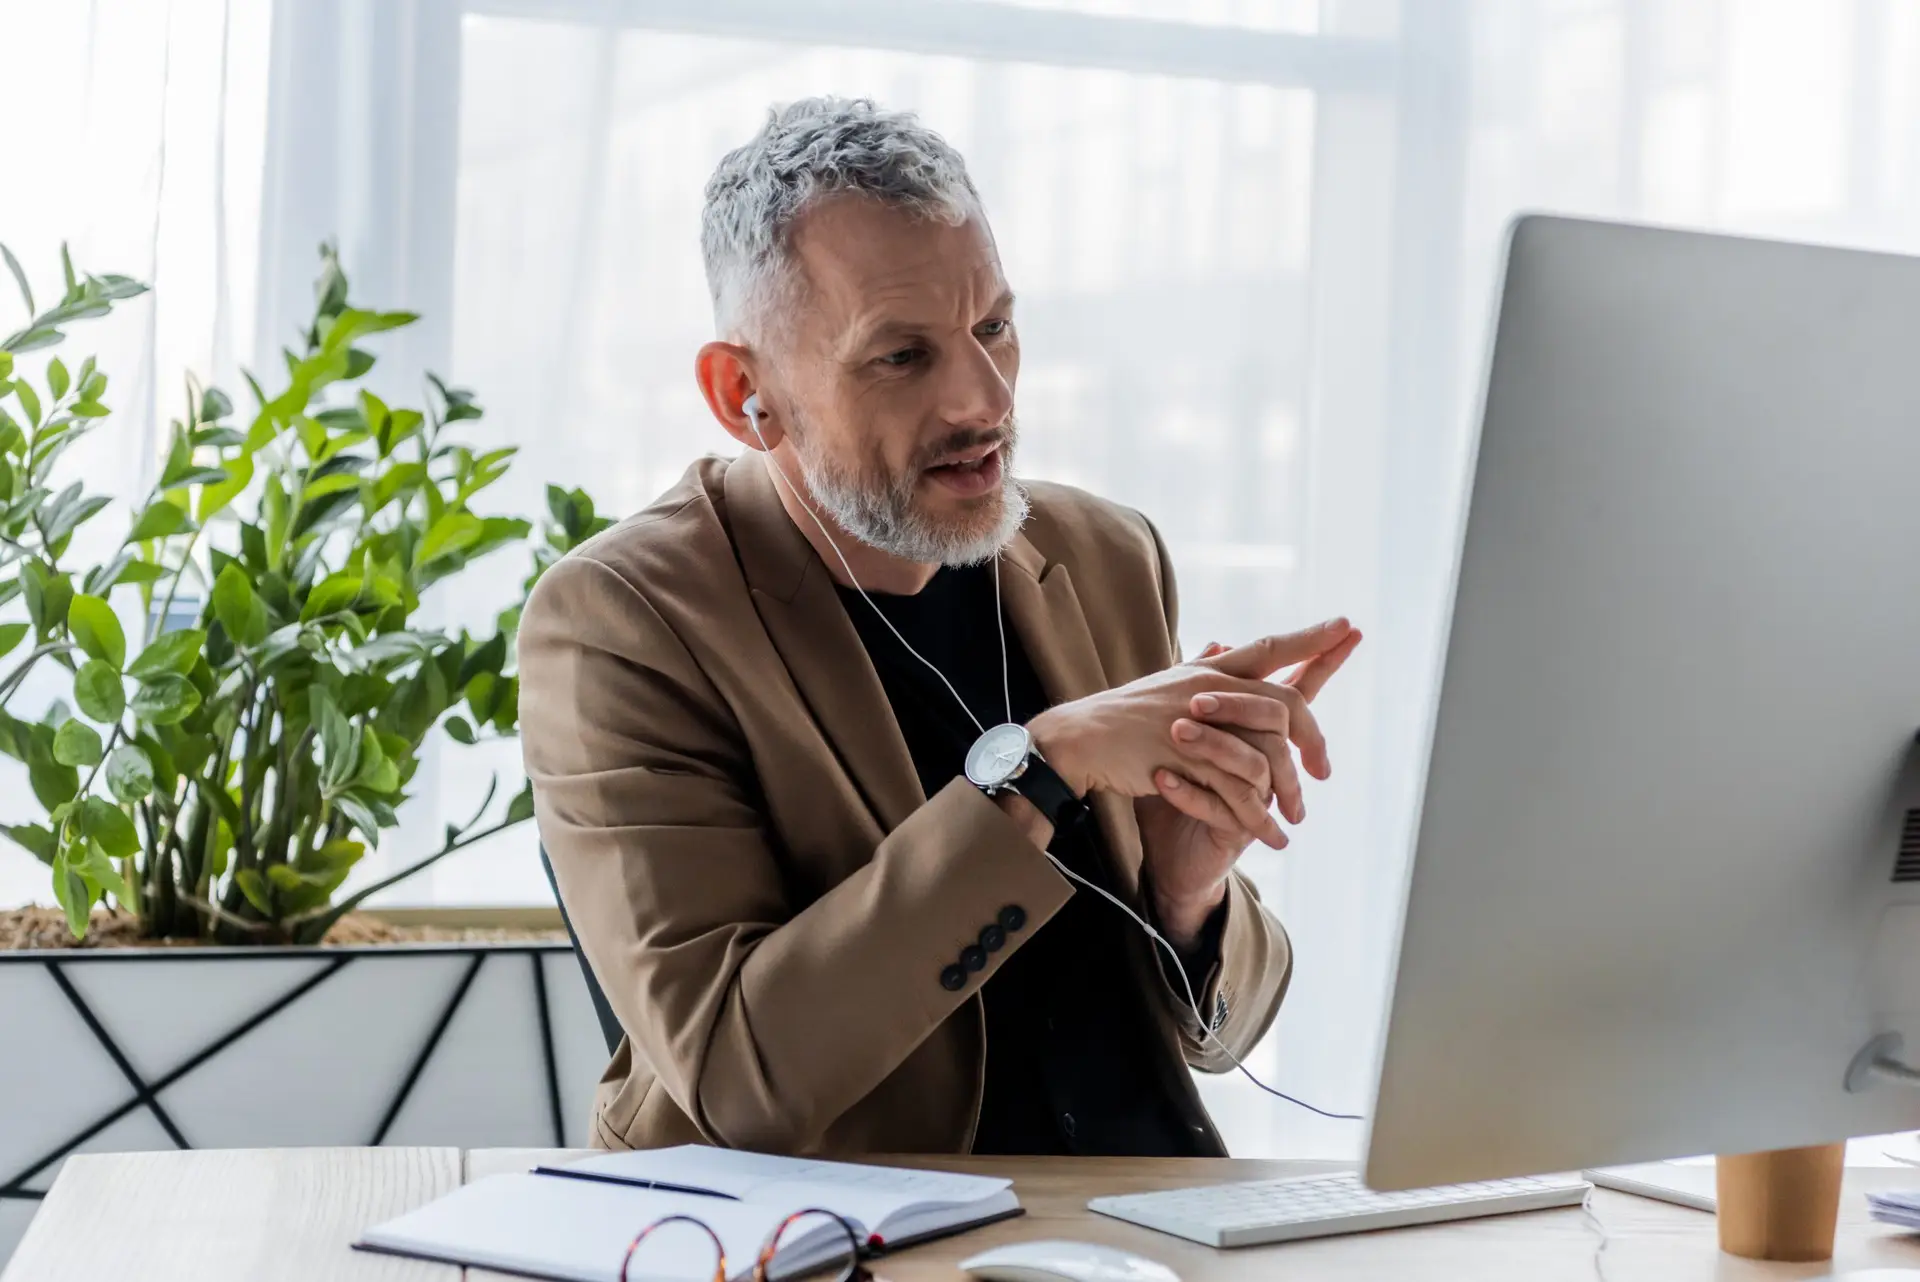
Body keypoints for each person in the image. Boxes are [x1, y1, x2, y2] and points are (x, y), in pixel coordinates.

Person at [518, 96, 1361, 1157]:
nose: (983, 398)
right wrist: (1043, 768)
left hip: (1141, 1222)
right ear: (747, 394)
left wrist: (1189, 896)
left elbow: (1224, 1034)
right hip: (842, 1239)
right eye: (901, 356)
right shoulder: (622, 622)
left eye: (994, 327)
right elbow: (741, 1078)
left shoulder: (1108, 555)